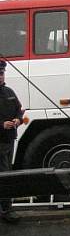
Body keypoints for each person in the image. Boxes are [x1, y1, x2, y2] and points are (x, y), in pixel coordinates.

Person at [0, 60, 24, 224]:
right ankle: (7, 210)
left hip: (9, 140)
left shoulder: (9, 92)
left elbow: (20, 111)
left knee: (7, 173)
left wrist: (17, 120)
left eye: (1, 73)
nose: (0, 76)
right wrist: (1, 124)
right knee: (4, 174)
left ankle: (7, 208)